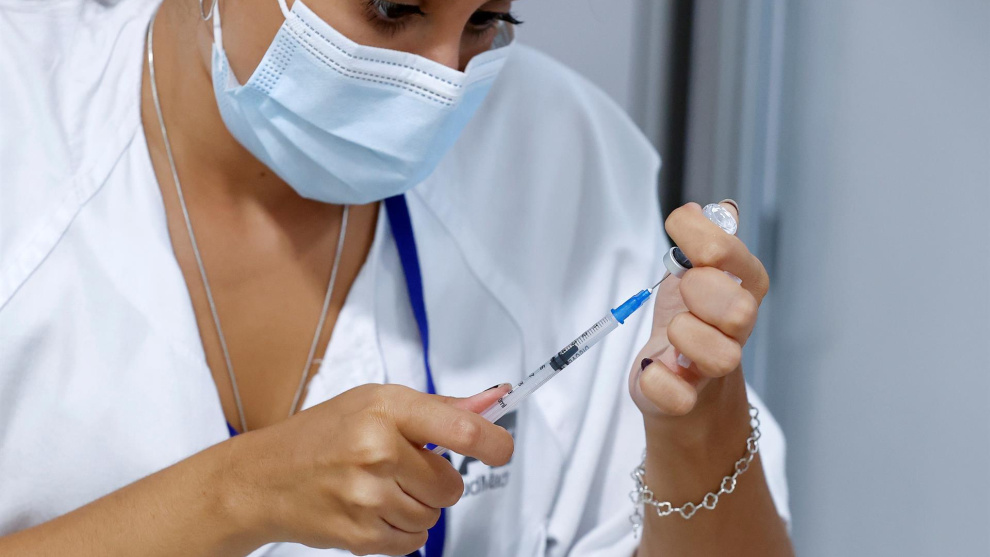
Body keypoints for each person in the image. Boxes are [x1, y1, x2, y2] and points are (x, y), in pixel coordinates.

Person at [0, 0, 794, 555]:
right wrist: (241, 494)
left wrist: (700, 427)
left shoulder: (555, 154)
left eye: (485, 21)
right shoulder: (21, 120)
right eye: (391, 8)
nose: (441, 84)